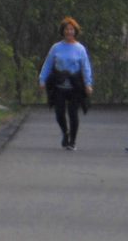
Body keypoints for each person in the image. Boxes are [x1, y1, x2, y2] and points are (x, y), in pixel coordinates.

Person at [39, 16, 94, 151]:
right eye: (67, 29)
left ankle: (72, 141)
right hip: (59, 85)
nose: (69, 32)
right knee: (59, 113)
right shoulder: (56, 48)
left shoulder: (80, 49)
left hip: (75, 85)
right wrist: (42, 79)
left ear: (75, 31)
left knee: (73, 113)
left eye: (71, 29)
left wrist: (88, 83)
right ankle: (65, 132)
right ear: (63, 31)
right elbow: (48, 64)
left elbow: (85, 67)